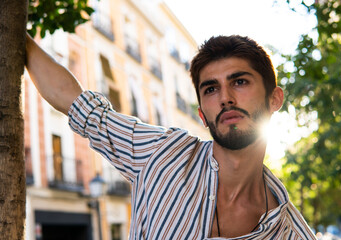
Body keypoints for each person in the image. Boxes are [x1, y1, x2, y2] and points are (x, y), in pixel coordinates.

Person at [26, 33, 317, 239]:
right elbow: (79, 105)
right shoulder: (163, 153)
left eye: (239, 81)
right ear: (202, 115)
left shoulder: (290, 232)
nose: (226, 98)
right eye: (211, 89)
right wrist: (17, 32)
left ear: (274, 99)